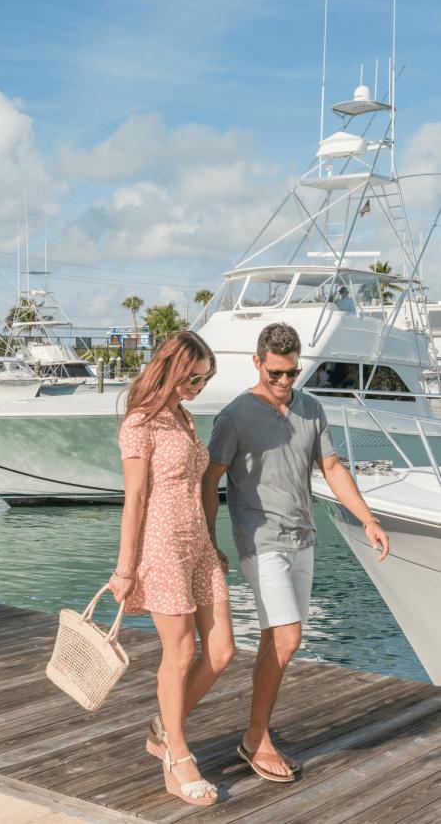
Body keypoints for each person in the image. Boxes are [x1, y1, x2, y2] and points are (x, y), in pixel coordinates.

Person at [205, 322, 389, 783]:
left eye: (292, 373)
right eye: (276, 374)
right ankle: (256, 738)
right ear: (257, 363)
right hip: (259, 540)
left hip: (303, 540)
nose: (285, 383)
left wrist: (368, 519)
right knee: (287, 639)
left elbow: (331, 466)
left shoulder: (311, 408)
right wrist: (209, 543)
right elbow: (209, 481)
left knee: (276, 641)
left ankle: (257, 734)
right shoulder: (233, 416)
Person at [109, 330, 233, 808]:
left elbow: (198, 486)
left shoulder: (183, 418)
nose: (198, 386)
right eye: (193, 377)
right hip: (160, 546)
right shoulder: (140, 423)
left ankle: (164, 727)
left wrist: (213, 542)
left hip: (197, 544)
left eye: (204, 379)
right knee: (180, 652)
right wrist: (125, 568)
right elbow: (135, 498)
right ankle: (177, 755)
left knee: (221, 651)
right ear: (172, 368)